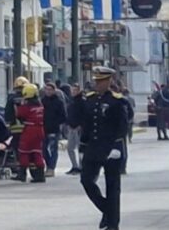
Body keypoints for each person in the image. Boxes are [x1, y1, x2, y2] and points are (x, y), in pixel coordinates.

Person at [71, 67, 128, 230]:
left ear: (109, 81)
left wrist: (117, 146)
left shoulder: (116, 101)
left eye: (101, 81)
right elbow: (81, 123)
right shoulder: (89, 100)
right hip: (93, 148)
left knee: (112, 187)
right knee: (86, 181)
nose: (98, 84)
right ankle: (108, 211)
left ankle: (113, 224)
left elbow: (122, 126)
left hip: (110, 148)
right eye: (96, 81)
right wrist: (82, 147)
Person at [15, 84, 45, 183]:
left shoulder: (27, 107)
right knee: (37, 152)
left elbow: (19, 114)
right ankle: (40, 175)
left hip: (30, 130)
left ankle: (22, 174)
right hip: (40, 130)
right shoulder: (40, 106)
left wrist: (19, 105)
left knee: (23, 151)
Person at [41, 82, 66, 178]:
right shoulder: (42, 101)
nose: (48, 91)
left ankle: (51, 168)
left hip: (54, 129)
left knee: (53, 149)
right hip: (43, 129)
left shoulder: (59, 102)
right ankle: (48, 166)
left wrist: (56, 123)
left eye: (50, 90)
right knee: (43, 149)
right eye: (46, 89)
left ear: (54, 90)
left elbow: (63, 116)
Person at [65, 84, 83, 175]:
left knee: (80, 149)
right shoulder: (71, 101)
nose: (73, 92)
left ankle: (81, 167)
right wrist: (68, 124)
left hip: (79, 128)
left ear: (79, 91)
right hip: (71, 127)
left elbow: (85, 114)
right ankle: (74, 166)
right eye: (72, 90)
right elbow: (68, 113)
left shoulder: (82, 101)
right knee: (70, 148)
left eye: (75, 90)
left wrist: (81, 125)